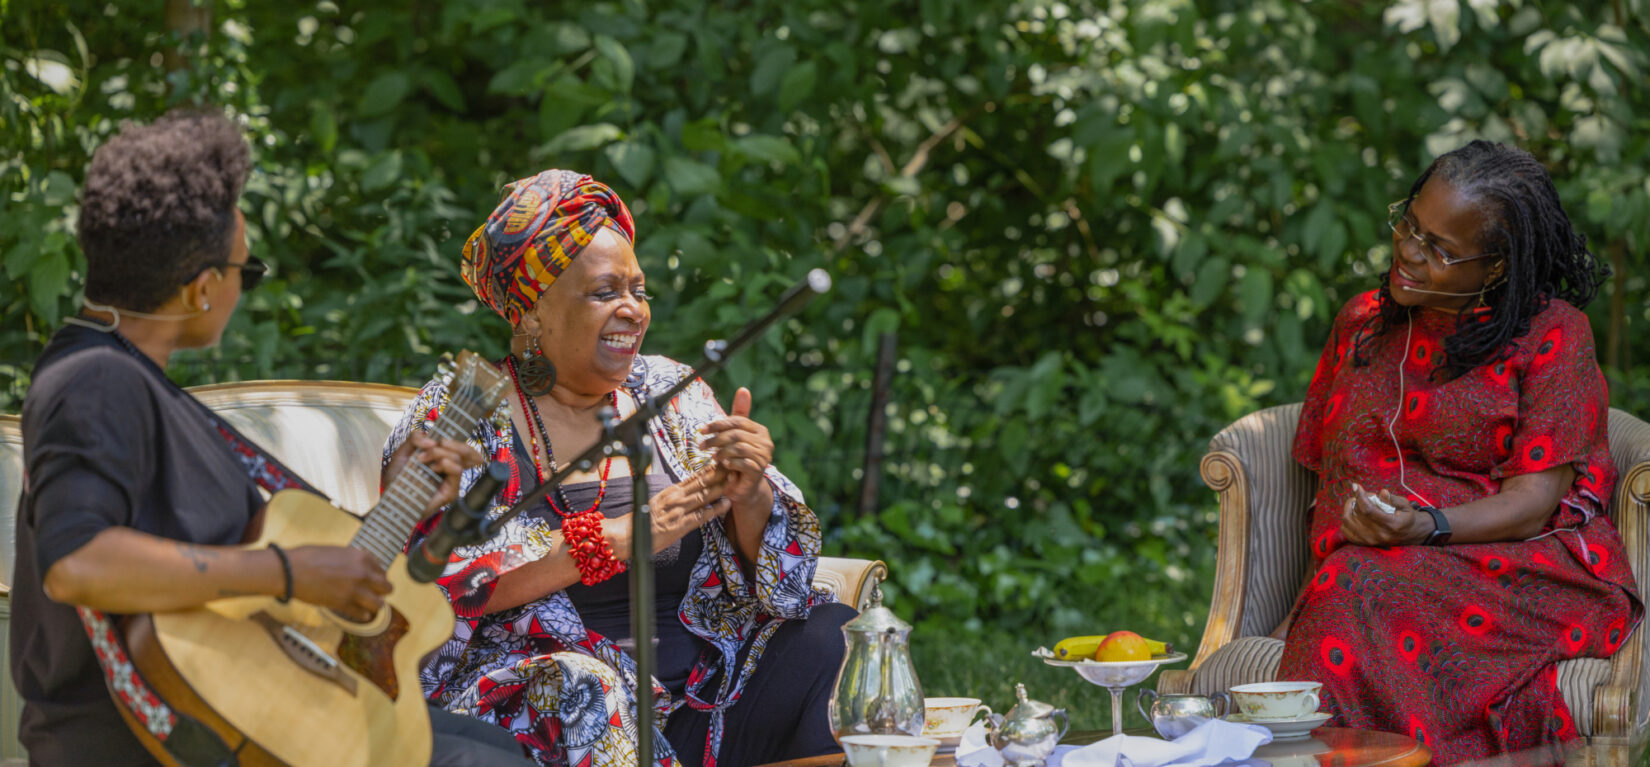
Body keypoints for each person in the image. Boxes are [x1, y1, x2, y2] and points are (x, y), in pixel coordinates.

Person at [10, 109, 532, 767]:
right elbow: (76, 560)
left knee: (495, 744)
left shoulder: (126, 378)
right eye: (243, 271)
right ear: (201, 288)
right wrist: (289, 572)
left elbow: (242, 578)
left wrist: (396, 506)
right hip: (150, 736)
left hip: (229, 701)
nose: (241, 286)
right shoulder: (95, 382)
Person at [382, 169, 853, 767]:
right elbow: (430, 580)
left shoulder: (670, 392)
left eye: (639, 290)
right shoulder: (459, 412)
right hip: (551, 701)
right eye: (606, 292)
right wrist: (620, 537)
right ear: (530, 312)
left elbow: (782, 582)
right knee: (584, 687)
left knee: (834, 636)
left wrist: (750, 493)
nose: (632, 309)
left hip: (701, 701)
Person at [1275, 141, 1643, 764]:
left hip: (1519, 569)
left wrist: (1426, 526)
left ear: (1495, 267)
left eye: (1441, 249)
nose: (1410, 253)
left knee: (1356, 587)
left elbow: (1533, 503)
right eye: (1410, 225)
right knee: (1354, 584)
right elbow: (1326, 471)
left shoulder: (1552, 335)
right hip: (1370, 570)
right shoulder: (1362, 323)